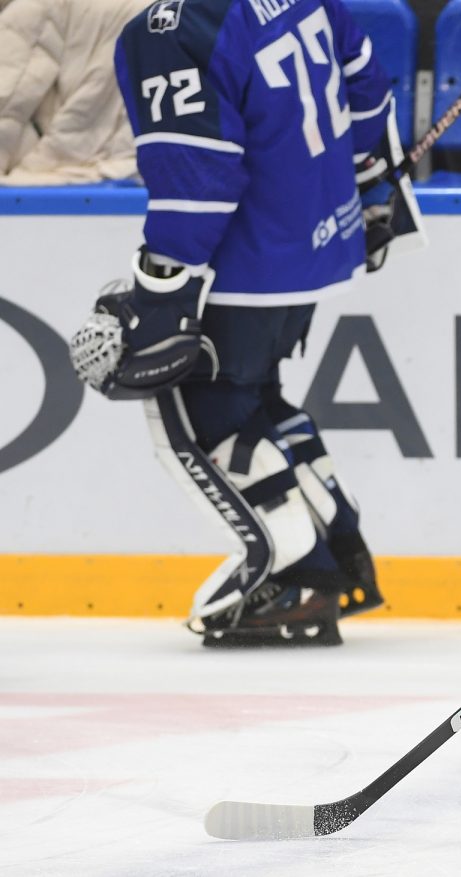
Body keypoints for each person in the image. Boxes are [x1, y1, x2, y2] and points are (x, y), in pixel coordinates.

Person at [68, 0, 425, 647]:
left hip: (246, 260)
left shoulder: (172, 29)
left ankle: (297, 574)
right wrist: (371, 186)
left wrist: (161, 290)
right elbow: (368, 86)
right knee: (255, 395)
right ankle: (339, 541)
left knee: (206, 415)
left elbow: (198, 176)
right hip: (319, 245)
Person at [0, 0, 147, 185]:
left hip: (58, 169)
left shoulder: (34, 8)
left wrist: (35, 165)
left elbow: (11, 95)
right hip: (143, 166)